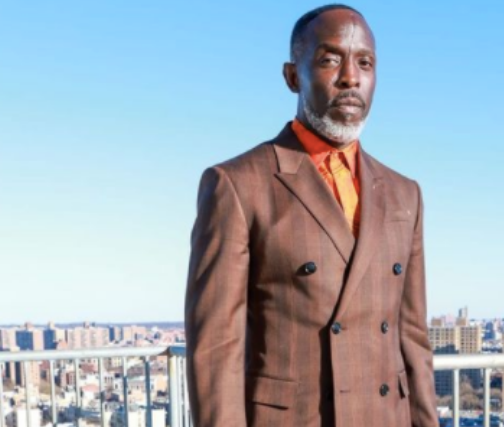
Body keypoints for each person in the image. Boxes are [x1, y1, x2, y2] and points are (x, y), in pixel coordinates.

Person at [184, 4, 439, 427]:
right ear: (291, 76)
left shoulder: (403, 193)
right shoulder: (238, 183)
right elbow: (215, 349)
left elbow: (412, 337)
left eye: (365, 63)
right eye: (329, 59)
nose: (350, 77)